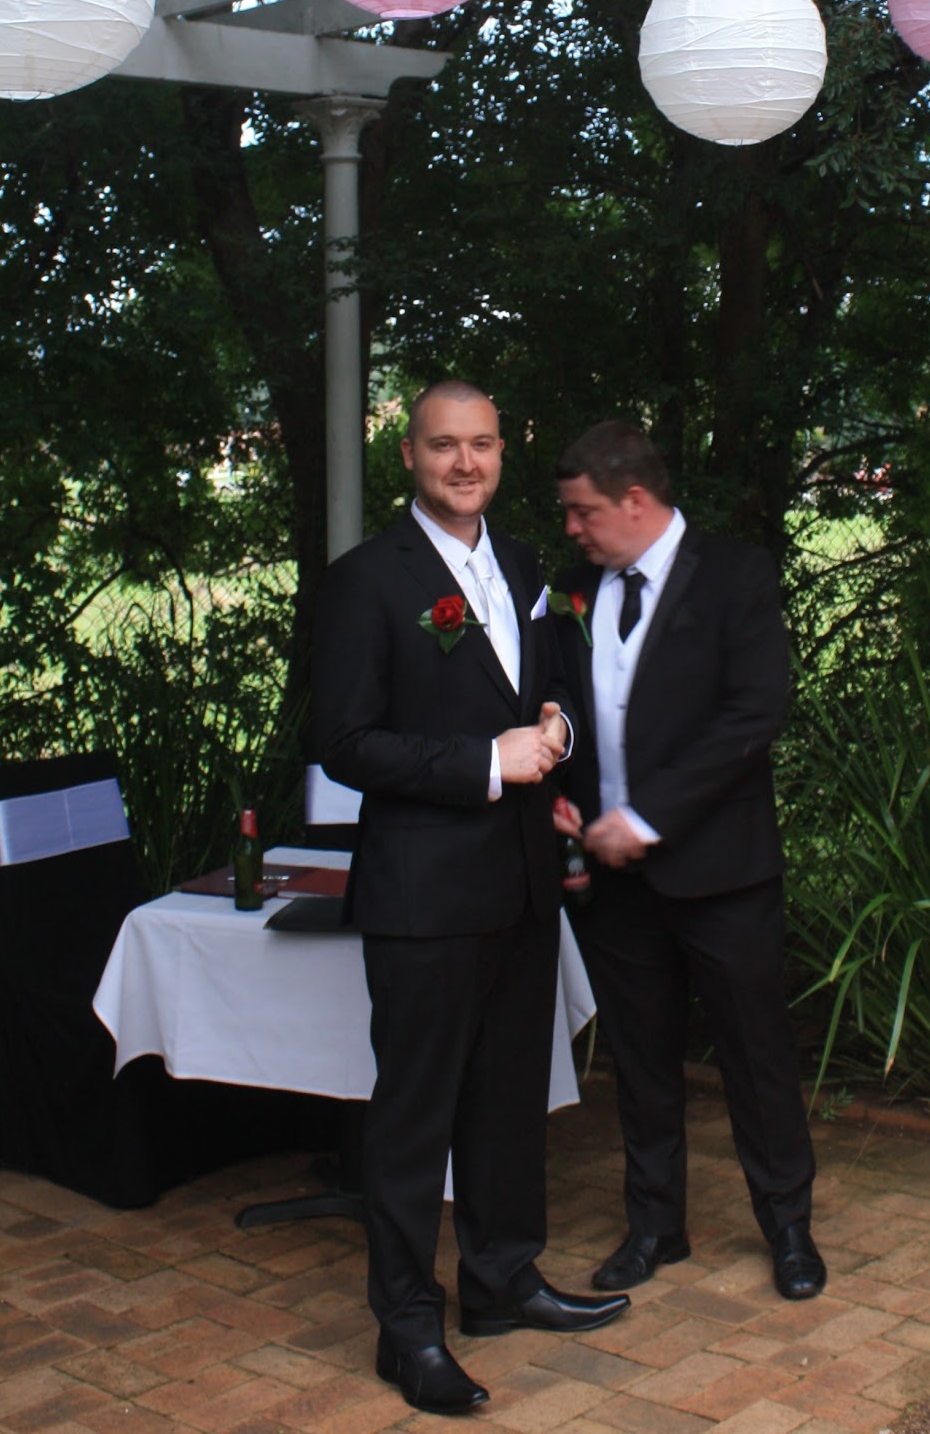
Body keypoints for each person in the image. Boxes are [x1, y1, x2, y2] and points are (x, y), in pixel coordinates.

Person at [312, 383, 629, 1417]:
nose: (464, 463)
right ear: (409, 455)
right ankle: (407, 1325)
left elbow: (552, 686)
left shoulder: (528, 567)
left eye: (481, 444)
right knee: (415, 1119)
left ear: (501, 452)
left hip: (523, 885)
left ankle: (501, 1280)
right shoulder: (366, 580)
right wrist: (484, 763)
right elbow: (343, 741)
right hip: (422, 893)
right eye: (444, 445)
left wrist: (559, 728)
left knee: (506, 1103)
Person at [551, 420, 825, 1304]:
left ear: (635, 499)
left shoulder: (736, 575)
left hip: (724, 874)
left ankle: (788, 1227)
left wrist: (647, 818)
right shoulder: (572, 591)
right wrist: (563, 794)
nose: (572, 529)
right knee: (640, 1059)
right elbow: (559, 705)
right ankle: (655, 1226)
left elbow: (754, 712)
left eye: (584, 512)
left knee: (755, 1054)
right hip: (614, 883)